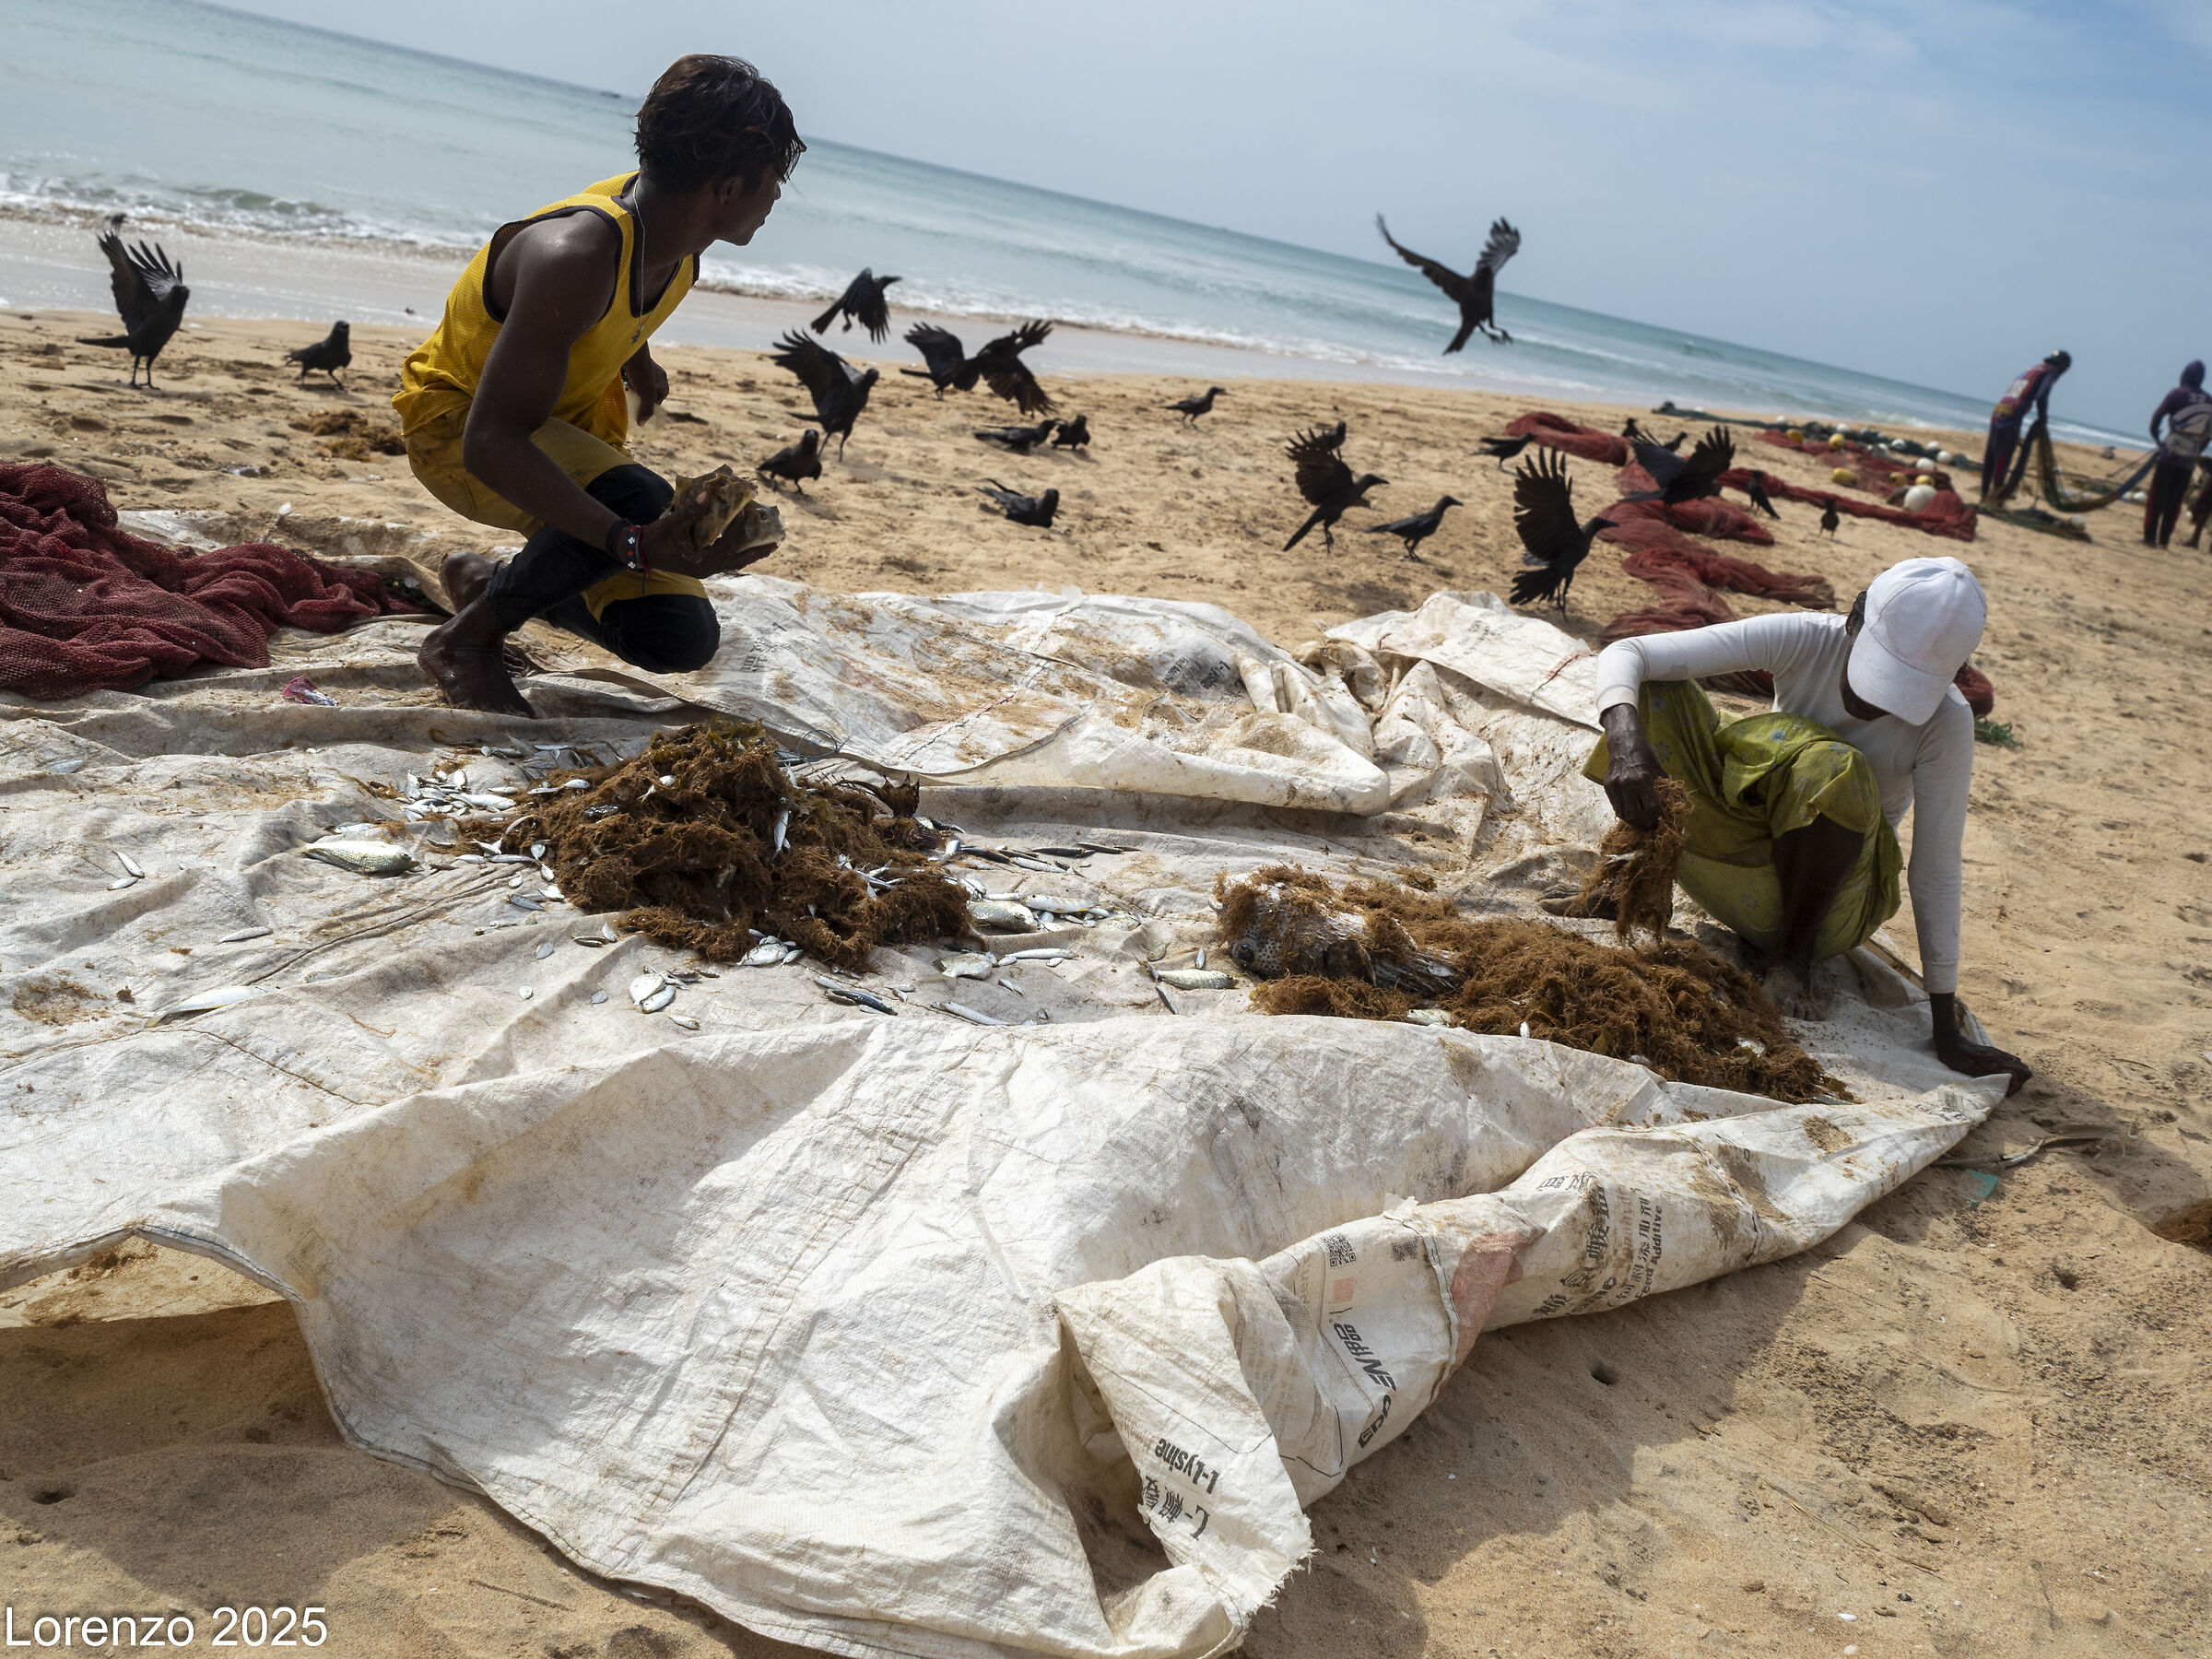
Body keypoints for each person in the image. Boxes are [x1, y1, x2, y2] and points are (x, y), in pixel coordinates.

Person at [394, 54, 805, 716]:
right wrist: (630, 541)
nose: (778, 196)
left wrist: (637, 359)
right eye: (773, 180)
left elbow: (616, 309)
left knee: (678, 637)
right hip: (462, 431)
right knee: (638, 500)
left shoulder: (676, 238)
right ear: (726, 189)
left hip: (558, 436)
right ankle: (464, 643)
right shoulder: (576, 256)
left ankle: (491, 585)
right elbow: (489, 442)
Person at [1583, 556, 2031, 1094]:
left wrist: (1946, 1031)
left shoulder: (1947, 722)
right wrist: (1626, 741)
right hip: (1742, 854)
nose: (1870, 702)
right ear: (1852, 623)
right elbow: (1628, 653)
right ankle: (1633, 882)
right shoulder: (1804, 638)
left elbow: (1935, 872)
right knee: (1654, 692)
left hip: (1827, 909)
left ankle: (1790, 960)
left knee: (1833, 765)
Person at [1979, 350, 2069, 502]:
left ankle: (1984, 493)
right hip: (2012, 414)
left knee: (1991, 453)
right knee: (2004, 454)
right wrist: (2043, 418)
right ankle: (1996, 496)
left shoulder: (2031, 370)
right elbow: (2041, 395)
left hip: (1999, 409)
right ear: (2063, 366)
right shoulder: (2051, 371)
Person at [2144, 361, 2212, 548]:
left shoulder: (2177, 394)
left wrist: (2158, 439)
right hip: (2189, 459)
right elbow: (2209, 433)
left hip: (2170, 452)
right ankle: (2164, 540)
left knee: (2158, 496)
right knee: (2175, 500)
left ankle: (2150, 538)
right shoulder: (2209, 400)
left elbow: (2156, 419)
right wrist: (2198, 450)